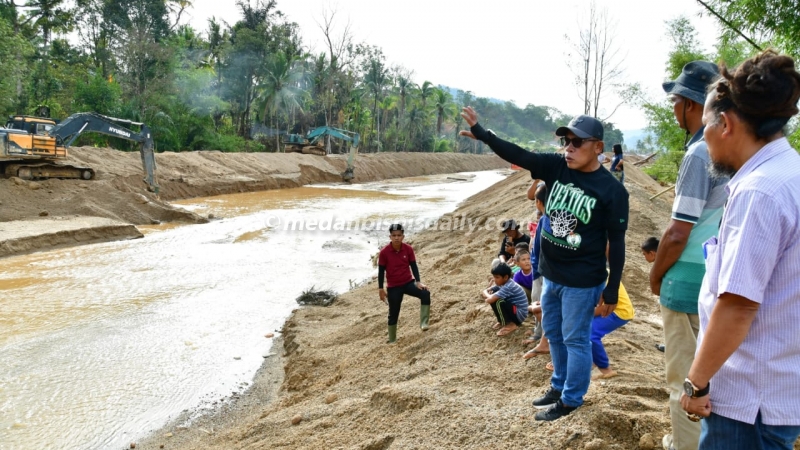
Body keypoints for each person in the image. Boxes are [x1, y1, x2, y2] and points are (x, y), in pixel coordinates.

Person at [461, 107, 629, 422]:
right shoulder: (556, 167)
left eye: (578, 143)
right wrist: (484, 134)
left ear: (598, 147)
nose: (569, 148)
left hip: (583, 281)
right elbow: (519, 153)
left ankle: (571, 399)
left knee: (575, 339)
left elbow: (617, 243)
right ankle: (558, 386)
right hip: (551, 275)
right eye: (566, 141)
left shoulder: (612, 190)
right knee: (552, 330)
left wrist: (612, 288)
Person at [679, 50, 800, 450]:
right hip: (776, 386)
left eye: (705, 126)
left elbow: (737, 305)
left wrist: (694, 384)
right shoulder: (789, 173)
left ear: (725, 123)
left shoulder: (759, 192)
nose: (704, 138)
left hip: (748, 403)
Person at [648, 60, 727, 450]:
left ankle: (684, 445)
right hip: (716, 278)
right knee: (713, 376)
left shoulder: (698, 154)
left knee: (684, 378)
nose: (674, 111)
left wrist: (657, 275)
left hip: (687, 281)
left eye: (675, 102)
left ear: (691, 106)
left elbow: (678, 232)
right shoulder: (732, 150)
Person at [377, 224, 431, 343]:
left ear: (403, 236)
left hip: (408, 283)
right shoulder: (384, 253)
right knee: (393, 313)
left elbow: (413, 266)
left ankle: (424, 323)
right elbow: (381, 272)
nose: (396, 238)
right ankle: (392, 339)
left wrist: (418, 282)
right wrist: (381, 289)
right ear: (390, 236)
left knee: (425, 293)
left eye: (399, 235)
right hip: (393, 287)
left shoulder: (408, 249)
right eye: (394, 235)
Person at [591, 271, 634, 380]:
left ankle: (605, 369)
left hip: (619, 311)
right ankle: (591, 362)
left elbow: (603, 307)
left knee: (591, 333)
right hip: (609, 308)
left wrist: (581, 315)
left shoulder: (598, 276)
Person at [481, 262, 529, 337]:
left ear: (506, 277)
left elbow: (489, 299)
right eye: (494, 277)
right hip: (514, 311)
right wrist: (489, 293)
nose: (494, 280)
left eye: (497, 277)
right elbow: (490, 291)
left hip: (519, 314)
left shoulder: (509, 286)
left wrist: (485, 292)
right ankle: (502, 321)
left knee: (498, 301)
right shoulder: (503, 283)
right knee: (495, 297)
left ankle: (510, 324)